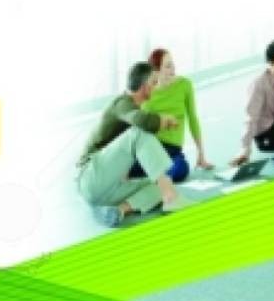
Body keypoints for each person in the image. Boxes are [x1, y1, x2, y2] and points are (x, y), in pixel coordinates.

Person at [77, 62, 182, 227]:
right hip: (90, 177)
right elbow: (142, 122)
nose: (156, 87)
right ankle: (169, 193)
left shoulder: (133, 110)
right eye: (154, 83)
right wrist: (163, 120)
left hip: (109, 189)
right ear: (144, 86)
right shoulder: (121, 104)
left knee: (159, 185)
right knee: (140, 132)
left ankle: (118, 211)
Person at [144, 47, 215, 182]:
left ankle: (154, 173)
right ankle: (154, 171)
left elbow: (193, 119)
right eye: (168, 66)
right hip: (152, 147)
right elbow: (141, 122)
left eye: (173, 64)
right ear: (156, 71)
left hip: (173, 149)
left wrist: (201, 154)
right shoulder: (148, 91)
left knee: (181, 170)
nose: (173, 69)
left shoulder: (184, 85)